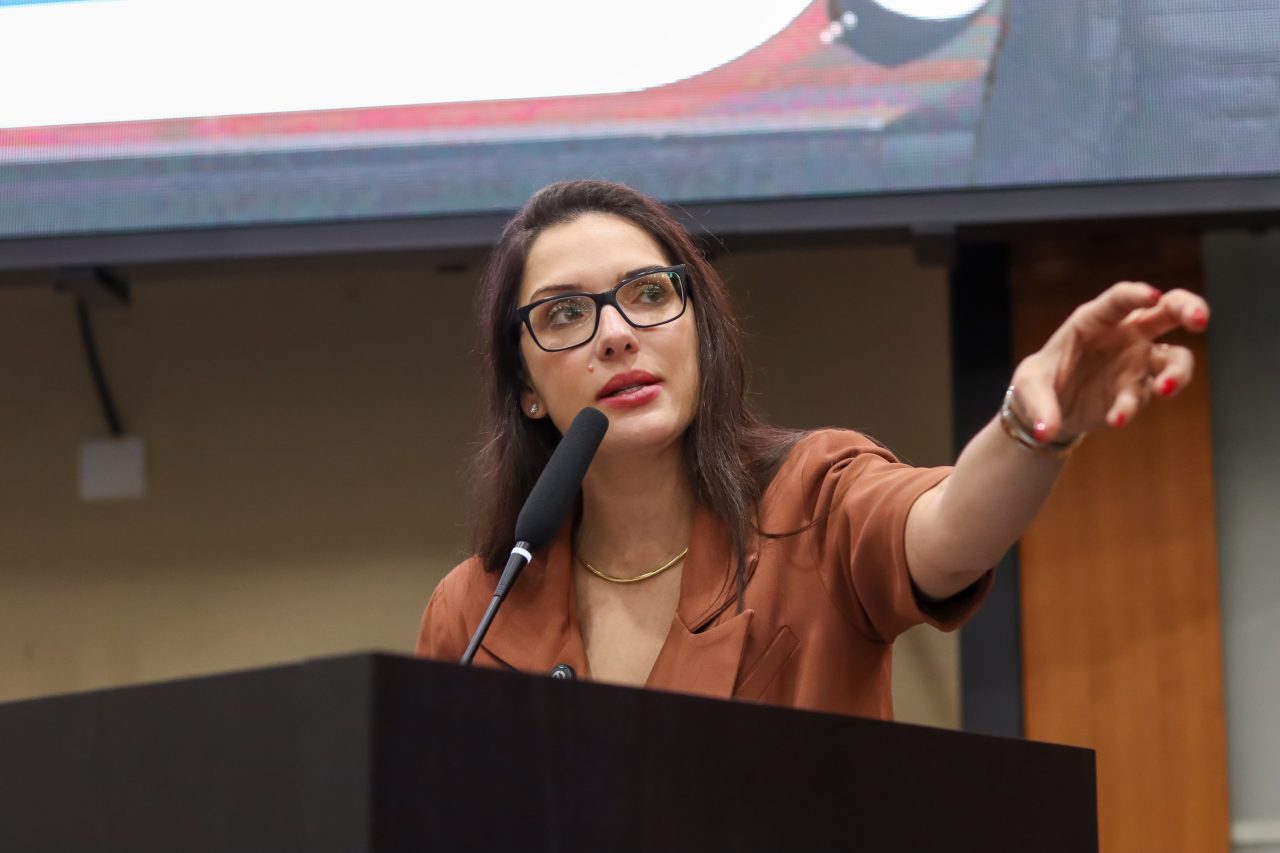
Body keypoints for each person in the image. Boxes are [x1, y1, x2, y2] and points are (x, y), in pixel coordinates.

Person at [415, 179, 1208, 719]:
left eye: (649, 293)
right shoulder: (476, 609)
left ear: (699, 333)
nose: (617, 334)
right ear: (525, 384)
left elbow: (947, 532)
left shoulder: (815, 498)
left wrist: (1032, 428)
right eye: (563, 314)